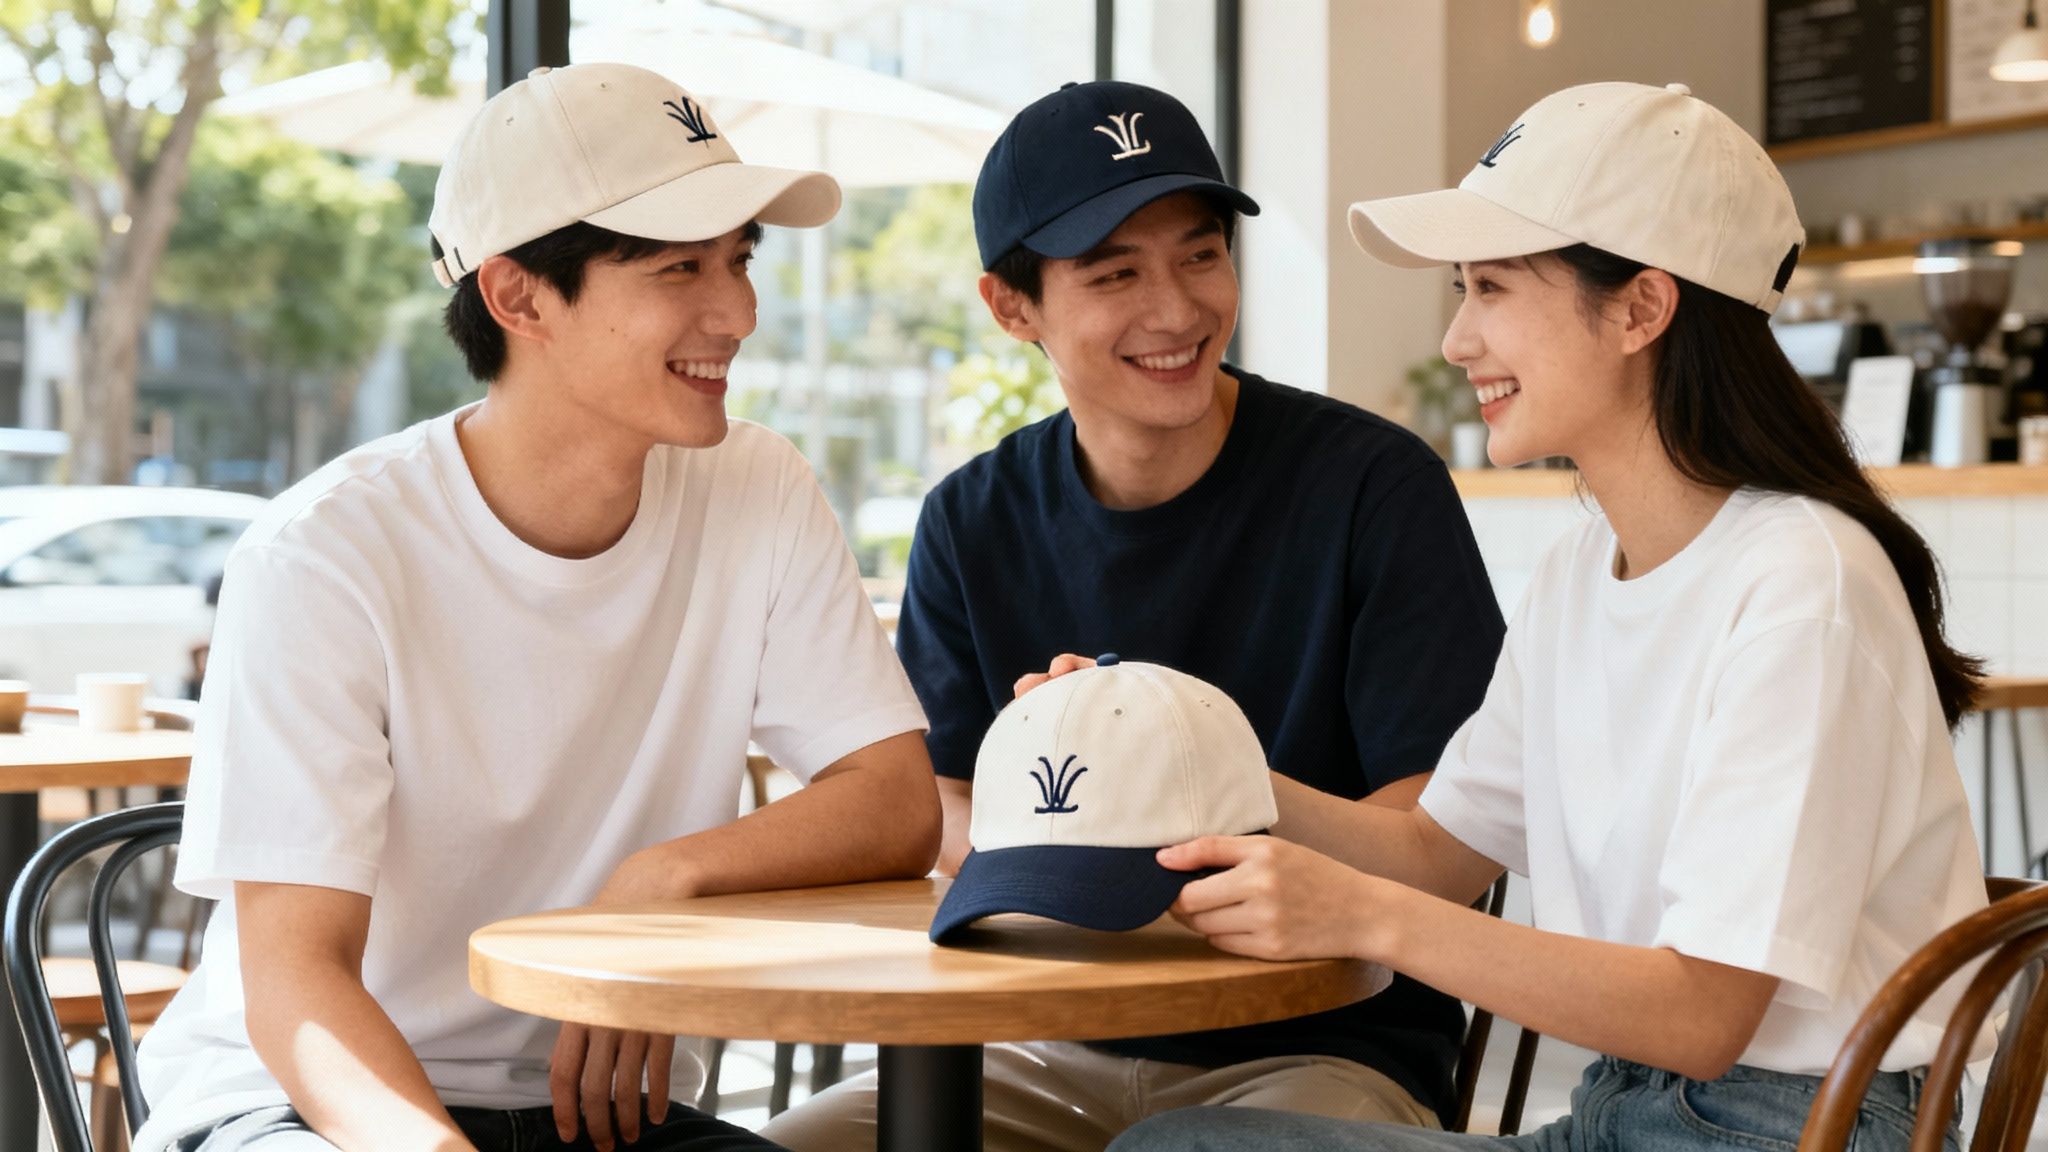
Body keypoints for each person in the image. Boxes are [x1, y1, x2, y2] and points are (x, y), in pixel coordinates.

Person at [1104, 81, 1990, 1152]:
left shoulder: (1802, 581)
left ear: (1640, 308)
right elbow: (1438, 848)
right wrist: (1181, 751)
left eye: (1490, 289)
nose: (1455, 340)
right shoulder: (1582, 568)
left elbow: (1700, 1015)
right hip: (1626, 1114)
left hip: (1780, 1131)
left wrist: (1356, 914)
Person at [133, 62, 940, 1152]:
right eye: (678, 269)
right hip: (309, 1103)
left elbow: (895, 802)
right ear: (517, 295)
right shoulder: (324, 553)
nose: (738, 311)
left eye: (740, 260)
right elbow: (294, 986)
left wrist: (662, 880)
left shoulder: (757, 488)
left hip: (601, 1114)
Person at [763, 79, 1504, 1152]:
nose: (1177, 310)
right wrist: (1060, 818)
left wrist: (1178, 773)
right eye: (1116, 273)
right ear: (1010, 306)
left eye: (1200, 256)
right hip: (1031, 1042)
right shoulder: (970, 518)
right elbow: (940, 801)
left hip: (1321, 1043)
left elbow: (1447, 847)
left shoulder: (1370, 487)